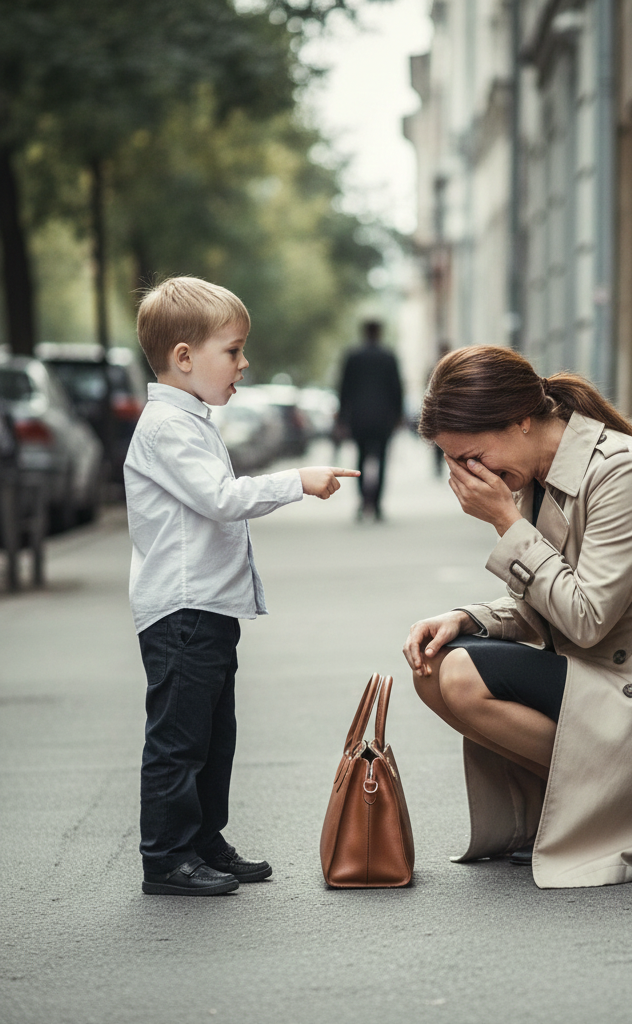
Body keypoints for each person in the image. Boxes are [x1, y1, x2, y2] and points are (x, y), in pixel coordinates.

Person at [402, 345, 632, 888]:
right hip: (600, 668)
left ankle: (630, 804)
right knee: (433, 665)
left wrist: (507, 524)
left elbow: (586, 618)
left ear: (520, 420)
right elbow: (548, 602)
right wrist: (468, 619)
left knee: (461, 676)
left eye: (472, 456)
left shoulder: (621, 471)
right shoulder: (535, 475)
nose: (470, 475)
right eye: (455, 463)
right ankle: (575, 808)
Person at [126, 276, 358, 896]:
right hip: (182, 611)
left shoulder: (190, 421)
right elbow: (222, 499)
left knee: (213, 738)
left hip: (207, 609)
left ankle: (203, 841)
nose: (244, 363)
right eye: (232, 350)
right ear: (184, 357)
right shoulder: (167, 427)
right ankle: (166, 858)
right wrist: (297, 480)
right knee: (179, 742)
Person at [336, 320, 404, 520]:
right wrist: (398, 415)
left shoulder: (353, 356)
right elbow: (397, 388)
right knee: (382, 460)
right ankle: (377, 505)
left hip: (359, 419)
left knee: (360, 459)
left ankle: (362, 502)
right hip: (383, 419)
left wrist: (342, 418)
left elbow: (344, 388)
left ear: (364, 332)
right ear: (379, 333)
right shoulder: (388, 357)